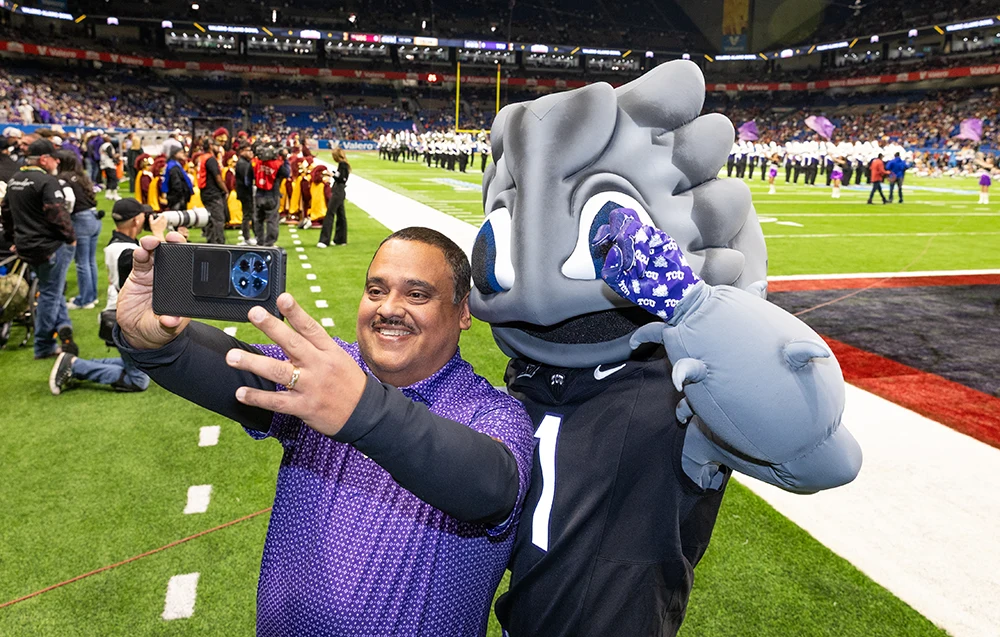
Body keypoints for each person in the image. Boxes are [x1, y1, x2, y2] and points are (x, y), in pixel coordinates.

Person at [114, 227, 535, 635]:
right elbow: (233, 371)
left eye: (417, 295)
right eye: (376, 290)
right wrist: (158, 342)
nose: (389, 308)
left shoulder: (493, 412)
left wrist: (362, 408)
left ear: (463, 311)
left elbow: (490, 486)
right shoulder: (328, 372)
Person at [49, 199, 165, 394]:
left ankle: (76, 363)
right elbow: (164, 272)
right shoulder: (128, 252)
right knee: (138, 380)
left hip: (118, 313)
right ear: (136, 220)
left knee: (139, 366)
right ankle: (75, 366)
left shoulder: (117, 244)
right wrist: (159, 234)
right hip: (126, 321)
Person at [0, 138, 79, 358]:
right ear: (44, 159)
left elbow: (6, 212)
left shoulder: (15, 179)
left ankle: (63, 325)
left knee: (50, 288)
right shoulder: (47, 181)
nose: (57, 162)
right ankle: (43, 345)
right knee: (50, 295)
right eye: (54, 158)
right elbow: (57, 214)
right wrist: (71, 238)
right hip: (48, 247)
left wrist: (13, 238)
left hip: (26, 246)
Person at [56, 151, 102, 310]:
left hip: (80, 219)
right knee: (90, 260)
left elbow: (70, 199)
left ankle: (85, 300)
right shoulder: (82, 176)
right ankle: (91, 296)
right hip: (93, 217)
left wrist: (66, 215)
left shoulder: (63, 178)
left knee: (82, 262)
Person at [252, 145, 290, 246]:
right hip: (272, 194)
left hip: (259, 193)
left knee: (258, 219)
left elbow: (249, 176)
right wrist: (285, 159)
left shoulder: (256, 163)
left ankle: (260, 240)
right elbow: (287, 173)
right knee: (272, 219)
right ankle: (269, 243)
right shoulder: (277, 164)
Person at [197, 140, 228, 244]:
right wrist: (225, 190)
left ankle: (211, 242)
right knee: (218, 219)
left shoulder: (202, 158)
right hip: (213, 193)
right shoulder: (211, 159)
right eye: (216, 145)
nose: (219, 147)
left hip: (204, 192)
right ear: (211, 146)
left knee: (210, 219)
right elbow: (218, 178)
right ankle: (219, 244)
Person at [318, 147, 350, 248]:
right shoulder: (344, 164)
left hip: (338, 191)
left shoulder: (342, 164)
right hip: (340, 191)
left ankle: (324, 240)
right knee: (341, 215)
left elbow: (342, 178)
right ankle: (341, 239)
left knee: (330, 214)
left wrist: (331, 174)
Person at [234, 145, 256, 245]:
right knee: (248, 215)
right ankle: (247, 238)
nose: (251, 153)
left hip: (245, 192)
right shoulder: (243, 164)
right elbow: (247, 179)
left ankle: (251, 236)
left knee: (250, 214)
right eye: (248, 150)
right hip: (246, 193)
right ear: (242, 151)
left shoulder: (245, 162)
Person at [99, 135, 120, 201]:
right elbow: (110, 154)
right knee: (113, 179)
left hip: (104, 164)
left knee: (109, 179)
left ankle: (108, 194)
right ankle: (115, 194)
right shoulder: (108, 145)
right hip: (109, 164)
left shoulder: (102, 146)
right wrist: (115, 159)